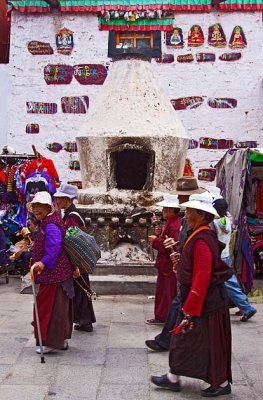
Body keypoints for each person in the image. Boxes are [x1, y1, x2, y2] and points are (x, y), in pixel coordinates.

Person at [151, 192, 232, 397]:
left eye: (189, 211)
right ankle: (173, 377)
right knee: (183, 339)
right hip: (196, 299)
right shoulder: (196, 234)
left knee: (208, 342)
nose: (185, 215)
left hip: (205, 301)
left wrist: (191, 306)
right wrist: (180, 260)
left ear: (202, 215)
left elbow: (203, 275)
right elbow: (195, 266)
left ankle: (219, 382)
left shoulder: (203, 239)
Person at [145, 176, 205, 350]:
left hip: (190, 274)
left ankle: (168, 340)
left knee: (177, 304)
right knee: (177, 305)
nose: (180, 202)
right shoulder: (187, 222)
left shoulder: (202, 231)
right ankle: (168, 339)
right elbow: (185, 243)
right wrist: (178, 250)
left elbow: (202, 263)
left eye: (181, 197)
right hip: (184, 270)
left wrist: (159, 242)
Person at [28, 191, 75, 354]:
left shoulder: (51, 224)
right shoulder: (48, 221)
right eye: (34, 206)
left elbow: (54, 246)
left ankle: (50, 342)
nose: (35, 210)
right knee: (57, 309)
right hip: (56, 275)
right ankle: (58, 341)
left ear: (48, 207)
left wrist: (42, 262)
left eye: (39, 206)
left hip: (54, 274)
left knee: (49, 308)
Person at [54, 183, 96, 332]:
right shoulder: (71, 214)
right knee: (82, 289)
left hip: (76, 259)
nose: (57, 202)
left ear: (67, 199)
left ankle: (85, 321)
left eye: (60, 199)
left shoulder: (71, 217)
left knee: (80, 290)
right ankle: (85, 320)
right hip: (78, 259)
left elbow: (73, 242)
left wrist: (76, 265)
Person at [212, 198, 257, 322]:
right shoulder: (227, 220)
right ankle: (244, 305)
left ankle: (246, 307)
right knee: (230, 283)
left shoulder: (214, 223)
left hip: (218, 257)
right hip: (225, 255)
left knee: (228, 284)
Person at [146, 194, 181, 324]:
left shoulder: (173, 225)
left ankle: (163, 316)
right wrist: (159, 235)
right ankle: (163, 315)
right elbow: (167, 240)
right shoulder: (171, 222)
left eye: (164, 209)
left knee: (166, 292)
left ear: (170, 210)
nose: (162, 211)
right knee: (164, 291)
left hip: (168, 264)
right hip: (165, 264)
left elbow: (170, 247)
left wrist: (156, 241)